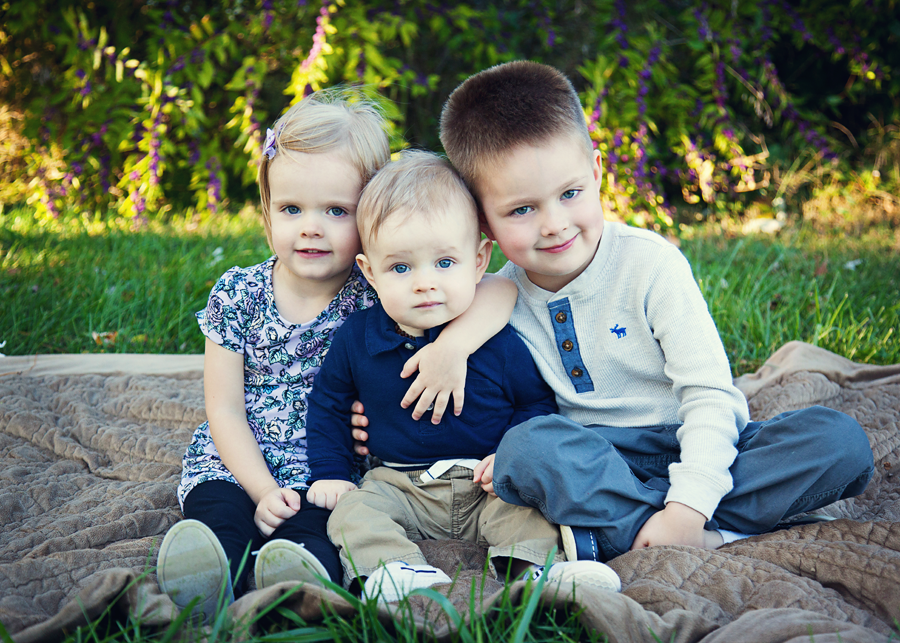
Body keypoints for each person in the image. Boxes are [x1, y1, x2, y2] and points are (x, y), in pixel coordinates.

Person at [410, 60, 872, 564]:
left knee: (838, 440)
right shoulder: (492, 298)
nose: (555, 224)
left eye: (570, 194)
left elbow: (709, 394)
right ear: (484, 223)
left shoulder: (650, 263)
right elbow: (430, 369)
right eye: (522, 209)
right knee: (524, 450)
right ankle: (712, 531)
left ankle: (649, 533)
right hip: (599, 462)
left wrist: (689, 504)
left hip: (695, 443)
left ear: (597, 173)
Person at [155, 90, 521, 621]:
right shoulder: (238, 294)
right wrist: (261, 490)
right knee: (220, 513)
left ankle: (293, 583)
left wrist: (452, 347)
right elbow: (223, 409)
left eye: (336, 210)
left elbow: (499, 290)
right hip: (236, 458)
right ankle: (209, 574)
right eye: (291, 208)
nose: (311, 226)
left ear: (373, 219)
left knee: (320, 530)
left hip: (327, 467)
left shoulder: (380, 287)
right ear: (267, 212)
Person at [304, 150, 622, 602]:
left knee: (530, 512)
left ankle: (536, 573)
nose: (424, 282)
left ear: (478, 260)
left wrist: (510, 456)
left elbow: (534, 404)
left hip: (484, 482)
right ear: (369, 272)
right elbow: (329, 405)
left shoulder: (497, 340)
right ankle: (393, 569)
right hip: (399, 482)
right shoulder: (358, 338)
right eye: (400, 267)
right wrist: (331, 472)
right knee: (353, 510)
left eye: (444, 263)